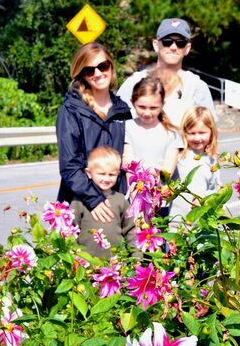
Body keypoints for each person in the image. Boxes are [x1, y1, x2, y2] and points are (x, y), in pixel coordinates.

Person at [56, 42, 132, 223]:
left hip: (116, 200)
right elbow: (69, 165)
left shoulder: (123, 110)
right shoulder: (71, 110)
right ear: (82, 74)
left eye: (102, 66)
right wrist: (95, 200)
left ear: (111, 67)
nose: (98, 73)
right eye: (89, 70)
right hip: (82, 202)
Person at [117, 18, 217, 123]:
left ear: (187, 48)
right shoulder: (134, 82)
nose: (173, 47)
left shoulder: (197, 86)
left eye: (180, 43)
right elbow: (116, 124)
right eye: (167, 42)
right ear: (156, 45)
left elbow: (209, 130)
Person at [72, 146, 136, 258]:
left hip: (116, 264)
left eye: (111, 174)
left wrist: (136, 257)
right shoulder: (79, 201)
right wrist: (74, 258)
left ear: (118, 174)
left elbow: (131, 230)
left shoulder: (121, 200)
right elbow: (70, 231)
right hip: (86, 264)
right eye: (101, 174)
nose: (106, 179)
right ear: (89, 173)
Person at [122, 75, 182, 177]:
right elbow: (128, 168)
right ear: (132, 102)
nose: (147, 113)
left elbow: (166, 175)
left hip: (161, 191)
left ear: (163, 104)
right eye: (142, 107)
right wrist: (154, 170)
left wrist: (138, 167)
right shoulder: (126, 127)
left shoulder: (172, 133)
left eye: (153, 108)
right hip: (134, 190)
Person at [170, 106, 220, 224]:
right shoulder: (178, 155)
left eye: (202, 133)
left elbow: (215, 187)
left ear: (211, 132)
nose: (197, 138)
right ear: (184, 132)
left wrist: (205, 197)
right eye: (192, 133)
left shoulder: (212, 158)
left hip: (203, 220)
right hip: (177, 219)